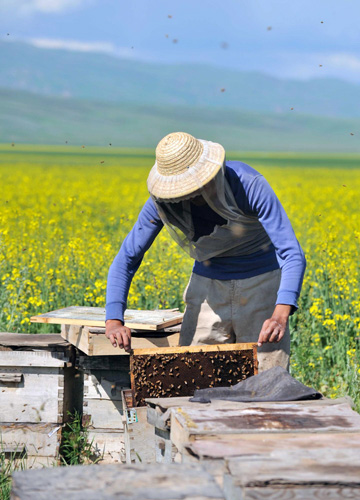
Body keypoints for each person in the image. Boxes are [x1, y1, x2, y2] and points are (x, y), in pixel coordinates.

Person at [105, 132, 306, 372]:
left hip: (262, 285)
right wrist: (114, 320)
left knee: (266, 378)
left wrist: (280, 314)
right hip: (207, 288)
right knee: (195, 374)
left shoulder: (248, 183)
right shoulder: (161, 203)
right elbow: (128, 257)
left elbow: (291, 253)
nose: (190, 197)